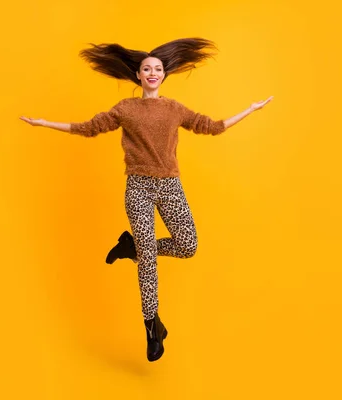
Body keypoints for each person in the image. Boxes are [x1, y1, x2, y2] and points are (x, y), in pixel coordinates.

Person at [20, 38, 273, 362]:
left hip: (170, 186)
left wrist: (249, 111)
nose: (152, 73)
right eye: (146, 69)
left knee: (188, 246)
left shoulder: (174, 109)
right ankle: (152, 327)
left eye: (157, 69)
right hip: (138, 187)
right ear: (138, 76)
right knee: (149, 260)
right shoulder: (126, 109)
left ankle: (132, 248)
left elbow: (212, 127)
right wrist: (45, 123)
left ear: (163, 75)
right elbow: (89, 128)